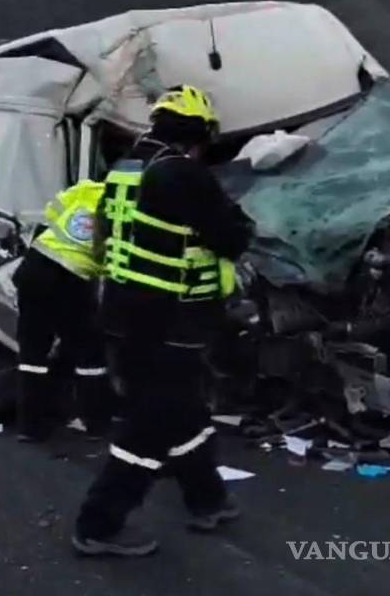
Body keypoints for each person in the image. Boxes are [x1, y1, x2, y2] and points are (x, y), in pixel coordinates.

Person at [72, 85, 255, 557]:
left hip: (120, 312)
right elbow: (233, 238)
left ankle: (208, 499)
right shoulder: (184, 174)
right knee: (152, 424)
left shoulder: (124, 170)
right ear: (201, 134)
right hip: (169, 320)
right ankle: (98, 524)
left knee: (183, 409)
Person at [13, 179, 112, 442]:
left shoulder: (88, 188)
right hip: (74, 277)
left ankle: (31, 427)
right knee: (89, 352)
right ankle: (97, 422)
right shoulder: (132, 205)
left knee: (32, 352)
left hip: (36, 264)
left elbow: (51, 213)